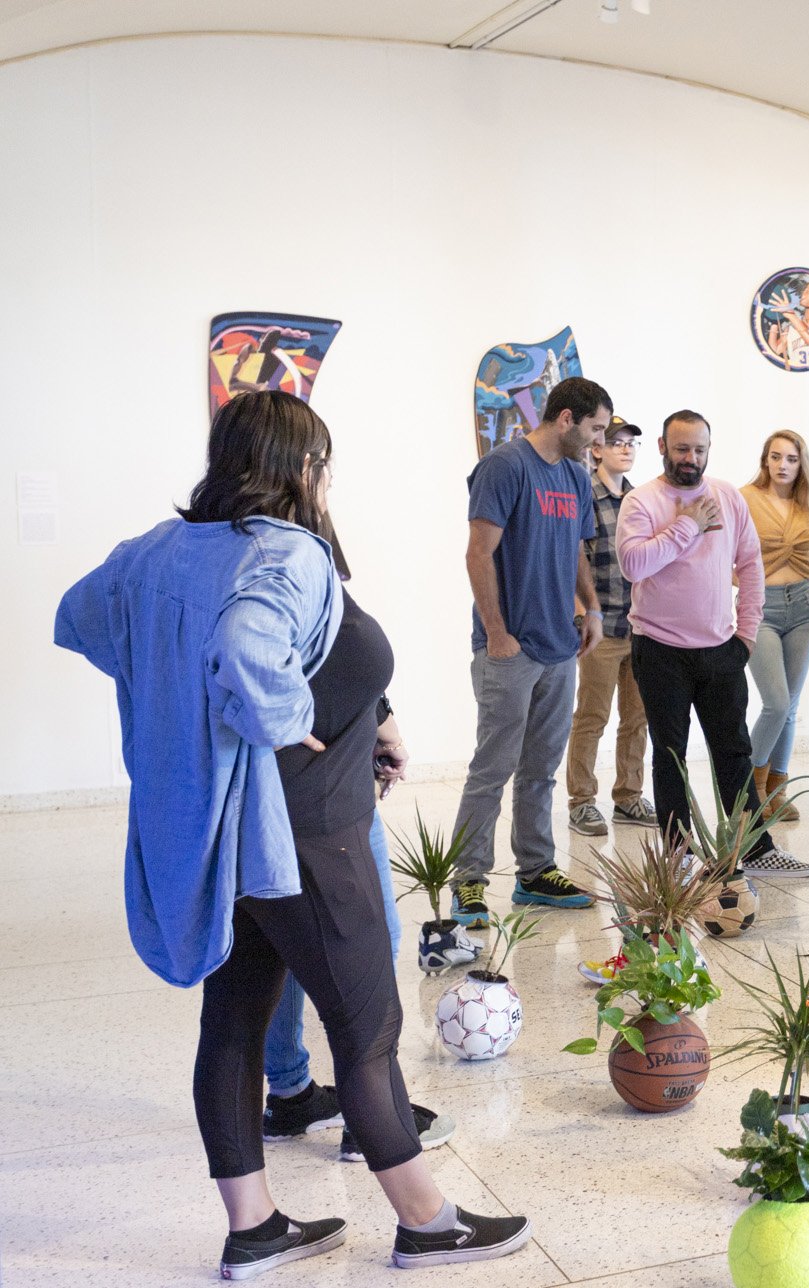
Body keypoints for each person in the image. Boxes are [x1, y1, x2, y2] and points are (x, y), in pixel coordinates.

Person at [54, 391, 529, 1279]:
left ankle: (256, 1229)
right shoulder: (288, 551)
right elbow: (247, 644)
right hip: (306, 833)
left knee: (233, 1021)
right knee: (366, 1024)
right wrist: (276, 715)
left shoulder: (161, 550)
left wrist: (340, 717)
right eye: (324, 464)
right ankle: (428, 1222)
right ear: (304, 468)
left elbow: (79, 615)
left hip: (226, 831)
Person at [260, 529, 465, 1162]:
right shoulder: (288, 543)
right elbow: (310, 653)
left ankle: (292, 1092)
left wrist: (381, 719)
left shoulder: (224, 542)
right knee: (371, 944)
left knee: (283, 945)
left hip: (301, 776)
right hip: (323, 783)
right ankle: (370, 1114)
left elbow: (333, 650)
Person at [616, 410, 809, 876]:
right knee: (670, 755)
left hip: (721, 648)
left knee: (734, 751)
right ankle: (678, 855)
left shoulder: (727, 496)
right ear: (663, 447)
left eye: (700, 450)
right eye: (682, 449)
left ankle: (756, 849)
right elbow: (634, 565)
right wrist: (687, 526)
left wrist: (745, 635)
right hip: (659, 649)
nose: (691, 458)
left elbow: (751, 566)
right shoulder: (641, 502)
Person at [450, 377, 608, 928]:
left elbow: (577, 549)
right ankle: (467, 881)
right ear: (565, 418)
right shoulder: (505, 466)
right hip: (510, 649)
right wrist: (496, 632)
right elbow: (478, 553)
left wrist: (590, 607)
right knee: (491, 768)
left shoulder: (575, 475)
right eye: (595, 429)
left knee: (541, 768)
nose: (598, 441)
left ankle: (535, 872)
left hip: (559, 646)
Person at [740, 429, 809, 820]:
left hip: (805, 607)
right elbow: (717, 545)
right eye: (775, 457)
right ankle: (748, 788)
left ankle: (776, 790)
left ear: (801, 463)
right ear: (765, 460)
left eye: (790, 458)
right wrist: (739, 578)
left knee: (790, 706)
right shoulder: (746, 499)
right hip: (761, 610)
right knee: (776, 702)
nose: (782, 465)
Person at [565, 416, 657, 838]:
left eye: (632, 443)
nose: (626, 449)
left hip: (641, 628)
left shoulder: (641, 501)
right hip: (601, 628)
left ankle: (629, 796)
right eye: (616, 442)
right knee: (591, 716)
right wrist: (583, 614)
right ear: (597, 449)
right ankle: (582, 802)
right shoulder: (584, 493)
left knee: (636, 718)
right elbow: (573, 560)